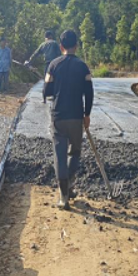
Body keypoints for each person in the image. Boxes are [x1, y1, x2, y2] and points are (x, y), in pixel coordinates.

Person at [43, 30, 94, 210]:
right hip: (75, 116)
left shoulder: (53, 65)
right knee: (75, 152)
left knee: (60, 155)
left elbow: (46, 91)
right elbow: (89, 93)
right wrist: (86, 114)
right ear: (76, 46)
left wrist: (55, 87)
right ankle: (70, 184)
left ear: (61, 46)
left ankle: (64, 196)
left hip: (58, 116)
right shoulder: (83, 67)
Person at [25, 30, 62, 103]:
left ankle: (44, 98)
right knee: (56, 81)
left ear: (46, 37)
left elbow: (36, 53)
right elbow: (59, 55)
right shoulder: (54, 43)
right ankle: (55, 97)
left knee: (46, 81)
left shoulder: (43, 44)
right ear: (51, 36)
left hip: (48, 65)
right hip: (55, 64)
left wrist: (29, 62)